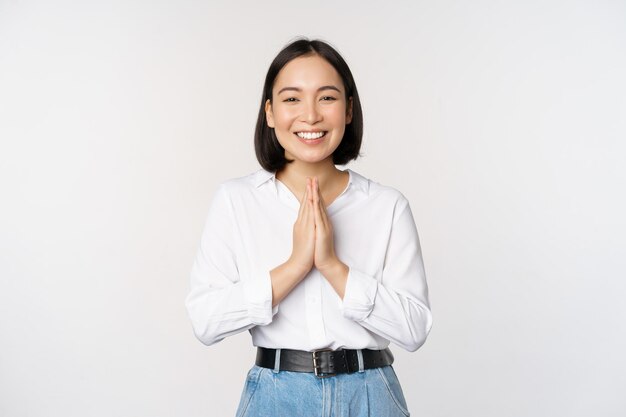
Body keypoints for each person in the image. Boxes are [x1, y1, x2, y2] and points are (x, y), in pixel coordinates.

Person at [185, 37, 433, 417]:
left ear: (349, 110)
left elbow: (414, 329)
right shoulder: (236, 200)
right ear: (269, 112)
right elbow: (205, 321)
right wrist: (294, 267)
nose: (311, 115)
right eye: (291, 99)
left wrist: (334, 267)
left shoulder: (386, 206)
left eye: (327, 97)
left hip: (369, 395)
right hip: (275, 394)